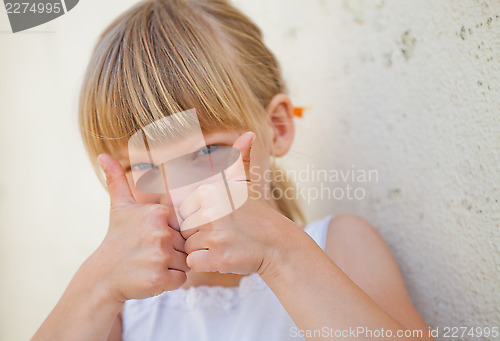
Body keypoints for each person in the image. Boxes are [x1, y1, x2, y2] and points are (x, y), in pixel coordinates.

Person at [33, 0, 434, 340]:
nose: (177, 195)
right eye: (142, 166)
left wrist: (282, 254)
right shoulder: (123, 307)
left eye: (207, 151)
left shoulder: (339, 246)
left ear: (276, 127)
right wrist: (96, 287)